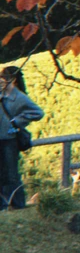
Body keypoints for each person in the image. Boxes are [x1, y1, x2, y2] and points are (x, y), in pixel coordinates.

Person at [0, 65, 43, 210]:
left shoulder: (19, 97)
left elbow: (38, 112)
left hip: (10, 139)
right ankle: (3, 204)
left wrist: (17, 121)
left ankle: (17, 204)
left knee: (11, 173)